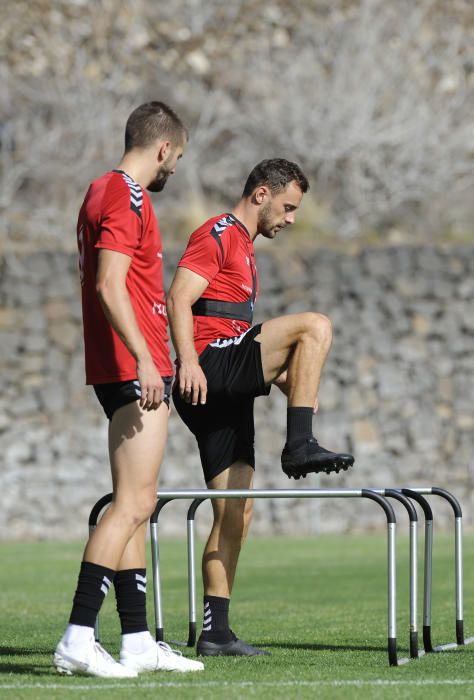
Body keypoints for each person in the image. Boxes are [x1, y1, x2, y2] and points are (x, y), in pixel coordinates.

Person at [167, 158, 355, 657]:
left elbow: (252, 348)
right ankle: (298, 445)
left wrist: (298, 386)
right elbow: (179, 297)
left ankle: (216, 632)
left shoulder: (247, 251)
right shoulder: (219, 232)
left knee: (237, 512)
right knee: (315, 325)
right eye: (288, 206)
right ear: (260, 195)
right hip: (207, 366)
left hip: (224, 385)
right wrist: (187, 361)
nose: (291, 218)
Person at [53, 101, 203, 677]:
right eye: (177, 158)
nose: (174, 171)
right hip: (132, 368)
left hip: (117, 366)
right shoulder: (126, 195)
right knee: (135, 504)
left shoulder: (97, 189)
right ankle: (78, 635)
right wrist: (146, 359)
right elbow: (108, 284)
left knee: (132, 504)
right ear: (163, 148)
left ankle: (137, 640)